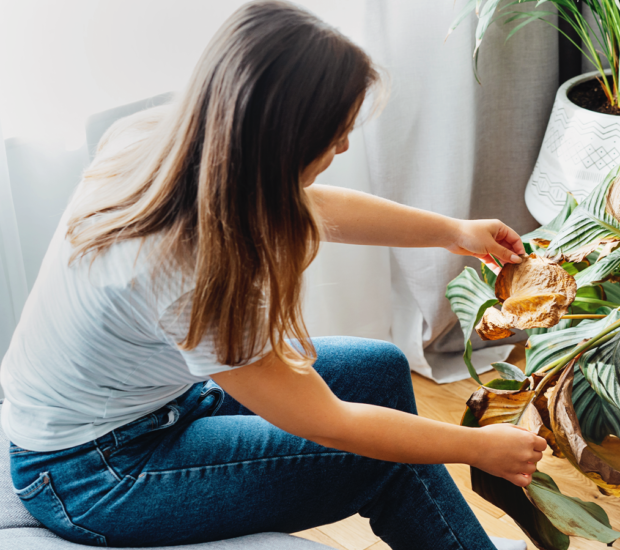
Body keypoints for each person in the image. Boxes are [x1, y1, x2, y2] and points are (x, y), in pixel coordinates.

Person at [1, 2, 546, 548]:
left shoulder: (166, 142)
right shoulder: (194, 269)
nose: (344, 146)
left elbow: (312, 203)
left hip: (153, 406)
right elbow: (330, 423)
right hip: (95, 472)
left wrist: (454, 231)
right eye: (335, 134)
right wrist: (476, 448)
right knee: (380, 460)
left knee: (379, 368)